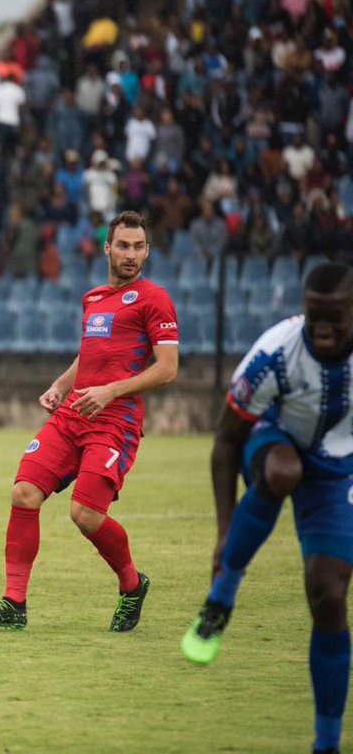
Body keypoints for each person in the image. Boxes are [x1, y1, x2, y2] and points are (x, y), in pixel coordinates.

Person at [0, 211, 180, 632]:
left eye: (139, 247)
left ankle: (132, 585)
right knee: (24, 493)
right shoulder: (94, 298)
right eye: (123, 245)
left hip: (114, 420)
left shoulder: (154, 299)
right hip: (74, 413)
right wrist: (62, 385)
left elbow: (168, 369)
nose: (131, 255)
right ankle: (14, 604)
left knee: (84, 514)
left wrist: (111, 391)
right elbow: (90, 354)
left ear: (147, 250)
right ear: (107, 247)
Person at [181, 262, 353, 754]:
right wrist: (223, 531)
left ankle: (326, 745)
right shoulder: (275, 353)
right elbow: (226, 439)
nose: (322, 327)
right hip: (274, 441)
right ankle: (222, 598)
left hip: (340, 468)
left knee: (328, 596)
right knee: (281, 473)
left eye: (334, 317)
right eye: (313, 315)